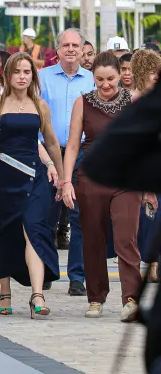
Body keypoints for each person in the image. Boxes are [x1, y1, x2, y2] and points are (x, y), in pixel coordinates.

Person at [59, 52, 143, 321]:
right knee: (93, 238)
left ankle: (131, 298)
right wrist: (66, 181)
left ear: (121, 75)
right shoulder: (82, 102)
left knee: (126, 238)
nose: (105, 84)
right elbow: (73, 145)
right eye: (99, 79)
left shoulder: (134, 100)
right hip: (92, 177)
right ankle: (96, 298)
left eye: (111, 79)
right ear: (92, 77)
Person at [0, 53, 63, 318]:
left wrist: (61, 176)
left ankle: (37, 295)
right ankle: (4, 291)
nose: (21, 77)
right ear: (7, 75)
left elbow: (51, 142)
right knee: (4, 231)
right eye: (16, 71)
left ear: (33, 75)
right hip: (5, 175)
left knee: (34, 230)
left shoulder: (40, 105)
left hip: (35, 176)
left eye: (27, 72)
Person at [38, 28, 94, 295]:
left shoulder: (92, 80)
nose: (71, 49)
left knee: (79, 216)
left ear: (83, 50)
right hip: (48, 154)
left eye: (75, 45)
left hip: (82, 153)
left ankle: (77, 277)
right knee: (46, 215)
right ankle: (47, 270)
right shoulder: (42, 78)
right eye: (66, 45)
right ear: (57, 50)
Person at [131, 48, 161, 283]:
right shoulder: (133, 100)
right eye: (152, 72)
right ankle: (148, 264)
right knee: (148, 217)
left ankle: (154, 264)